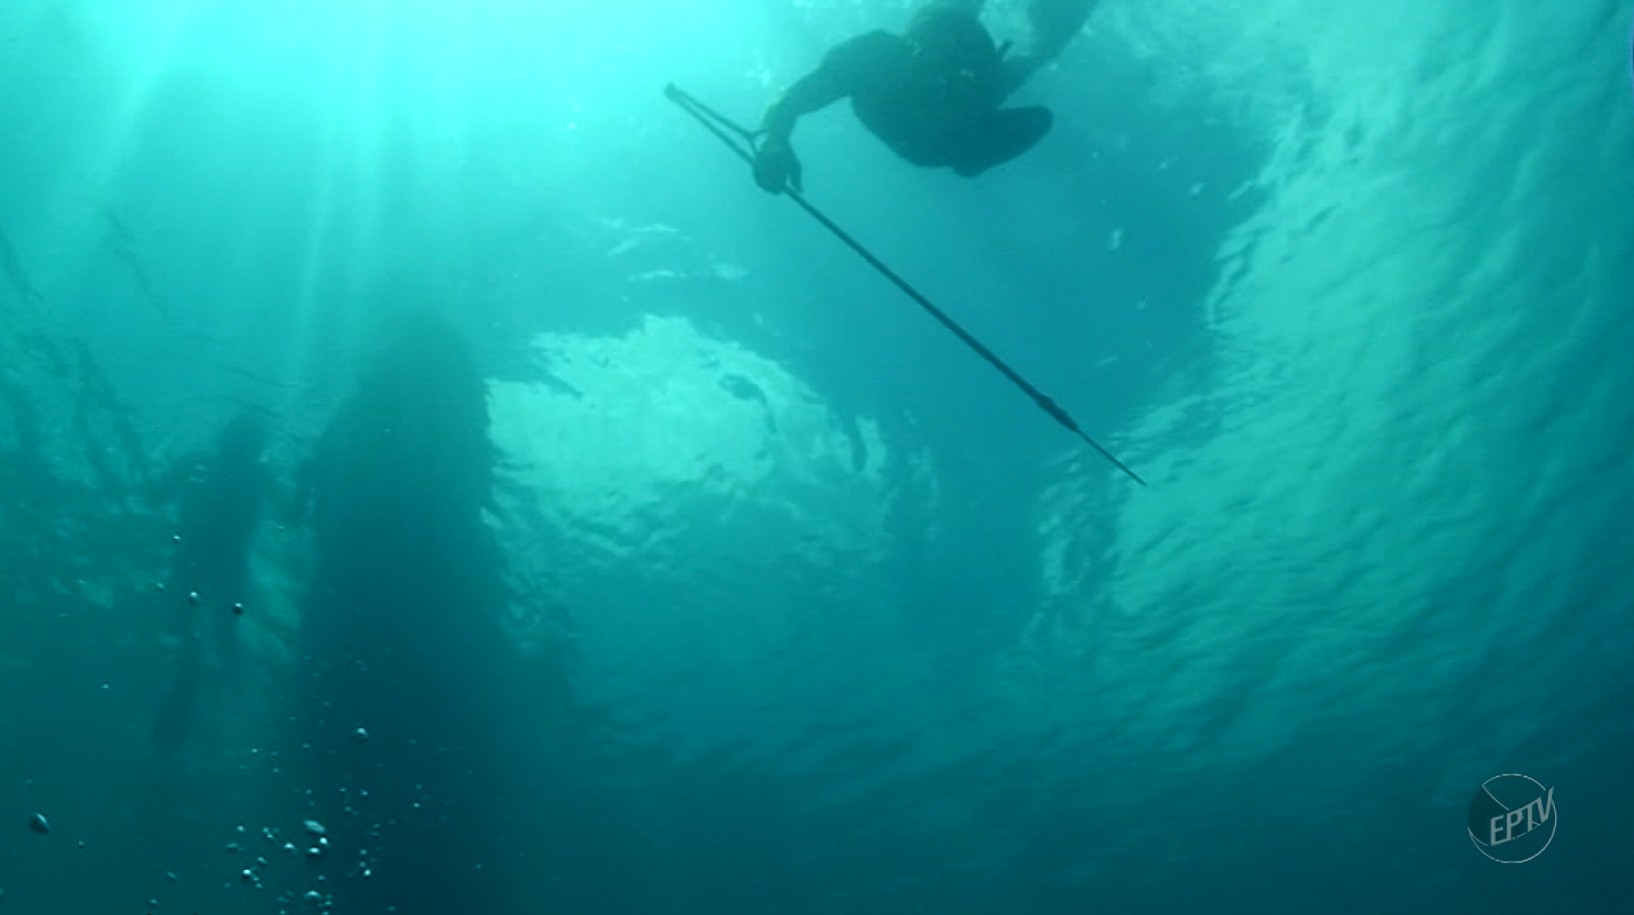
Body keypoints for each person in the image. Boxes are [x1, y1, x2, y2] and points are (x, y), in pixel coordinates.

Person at [753, 0, 1097, 193]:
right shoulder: (873, 60)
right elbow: (788, 102)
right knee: (1030, 60)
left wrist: (776, 143)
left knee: (1017, 65)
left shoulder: (968, 79)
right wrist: (776, 144)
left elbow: (787, 103)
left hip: (961, 101)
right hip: (951, 125)